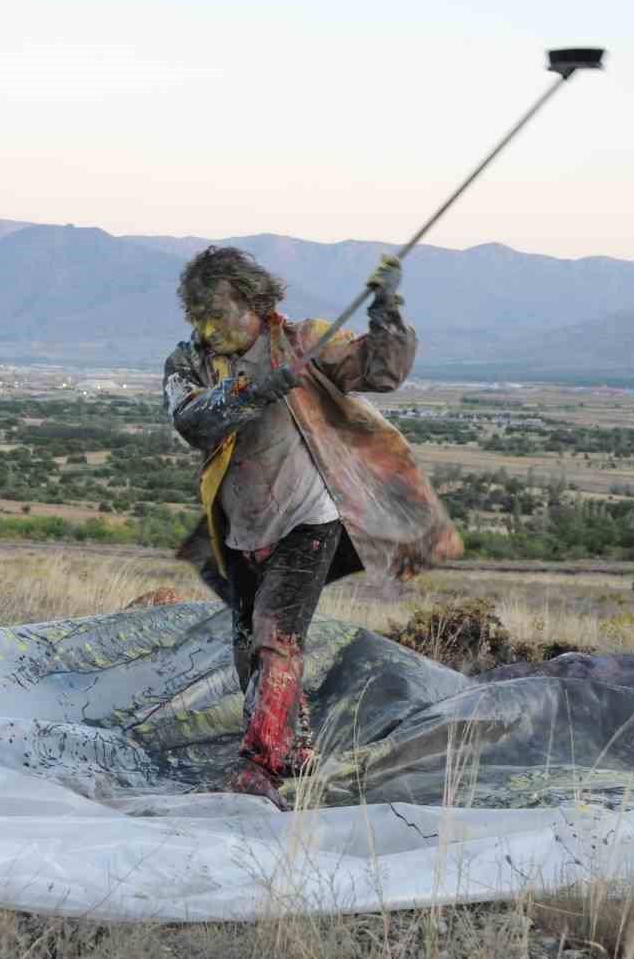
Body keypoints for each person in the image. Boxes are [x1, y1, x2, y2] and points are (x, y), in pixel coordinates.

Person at [163, 246, 462, 806]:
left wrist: (385, 307)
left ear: (255, 302)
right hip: (241, 529)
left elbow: (382, 370)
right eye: (198, 315)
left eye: (218, 312)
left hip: (311, 518)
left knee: (278, 636)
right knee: (249, 652)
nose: (207, 326)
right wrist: (251, 391)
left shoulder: (308, 342)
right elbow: (191, 420)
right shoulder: (191, 363)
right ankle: (297, 750)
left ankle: (262, 769)